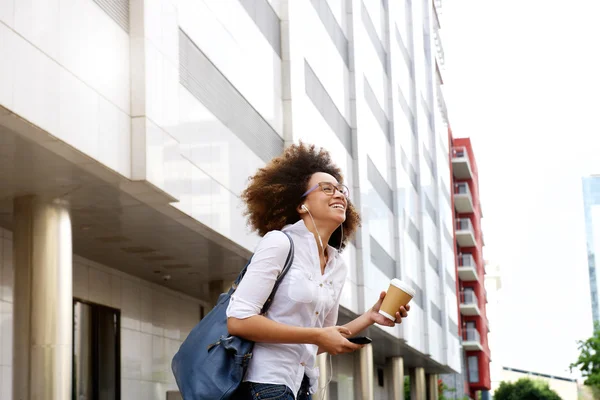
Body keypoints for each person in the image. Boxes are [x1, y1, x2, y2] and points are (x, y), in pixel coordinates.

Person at [227, 143, 410, 400]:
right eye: (327, 188)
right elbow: (238, 320)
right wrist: (317, 335)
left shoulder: (337, 266)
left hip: (302, 386)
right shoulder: (279, 243)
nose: (339, 195)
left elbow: (323, 338)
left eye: (340, 190)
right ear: (302, 205)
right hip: (264, 383)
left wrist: (370, 317)